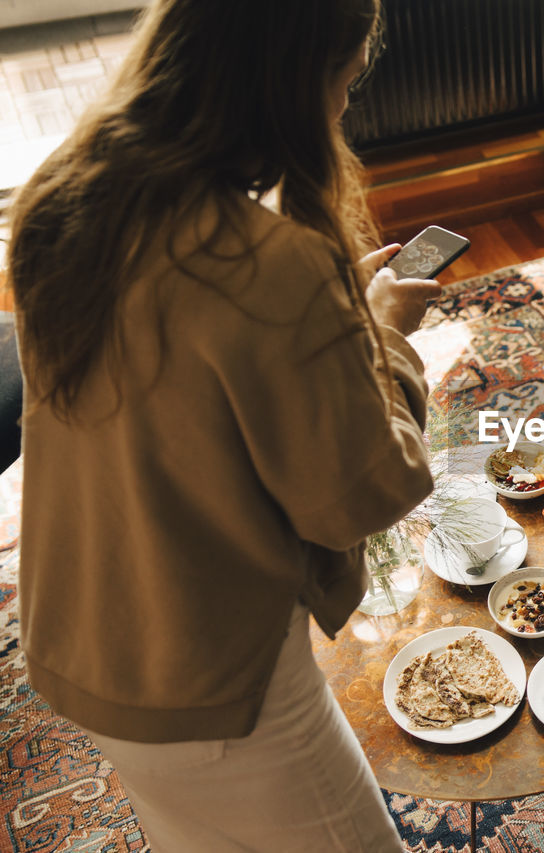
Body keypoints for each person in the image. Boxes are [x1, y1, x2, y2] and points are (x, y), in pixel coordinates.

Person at [5, 1, 439, 849]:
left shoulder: (67, 191)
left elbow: (188, 378)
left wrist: (322, 319)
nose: (344, 111)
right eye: (344, 85)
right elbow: (362, 492)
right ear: (285, 82)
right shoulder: (273, 269)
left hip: (88, 641)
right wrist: (377, 333)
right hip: (215, 689)